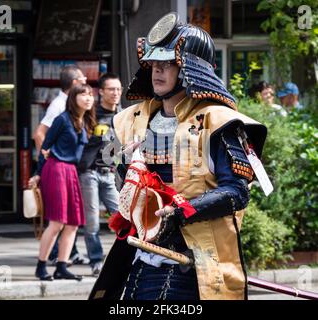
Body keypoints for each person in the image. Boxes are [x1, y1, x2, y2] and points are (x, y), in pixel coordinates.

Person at [89, 12, 267, 300]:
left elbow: (237, 192)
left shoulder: (219, 122)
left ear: (190, 69)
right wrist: (125, 167)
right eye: (154, 63)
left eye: (168, 64)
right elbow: (121, 183)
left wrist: (181, 212)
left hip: (194, 265)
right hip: (140, 258)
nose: (157, 71)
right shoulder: (131, 120)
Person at [28, 84, 96, 281]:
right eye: (83, 94)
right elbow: (45, 147)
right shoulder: (62, 119)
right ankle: (41, 266)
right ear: (73, 98)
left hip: (72, 172)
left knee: (73, 223)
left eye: (91, 94)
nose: (88, 97)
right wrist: (39, 173)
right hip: (56, 168)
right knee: (57, 222)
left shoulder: (85, 122)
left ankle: (62, 266)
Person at [77, 73, 122, 276]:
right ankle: (96, 261)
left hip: (110, 173)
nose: (115, 93)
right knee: (92, 220)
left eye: (118, 89)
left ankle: (122, 258)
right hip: (89, 173)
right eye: (111, 89)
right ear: (101, 91)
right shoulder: (91, 114)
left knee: (122, 217)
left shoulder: (123, 116)